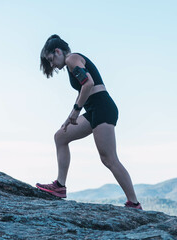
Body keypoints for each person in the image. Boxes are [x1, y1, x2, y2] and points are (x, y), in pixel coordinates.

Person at [36, 34, 142, 210]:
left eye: (51, 60)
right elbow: (82, 91)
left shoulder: (72, 59)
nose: (53, 65)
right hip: (93, 109)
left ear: (57, 51)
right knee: (60, 137)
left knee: (109, 158)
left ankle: (134, 204)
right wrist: (70, 117)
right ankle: (60, 186)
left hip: (102, 107)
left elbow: (88, 84)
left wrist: (76, 111)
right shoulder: (71, 64)